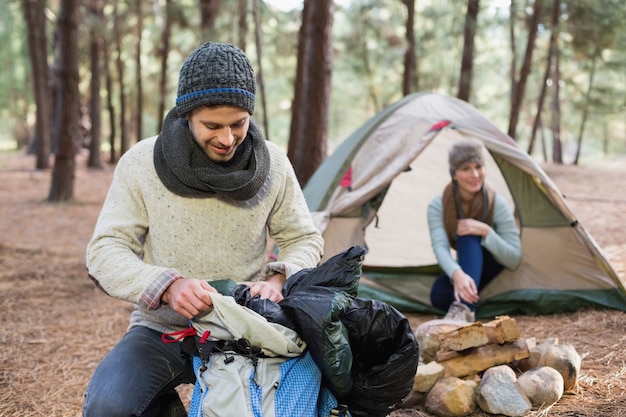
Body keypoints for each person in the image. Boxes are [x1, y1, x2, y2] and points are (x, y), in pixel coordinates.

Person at [82, 42, 324, 417]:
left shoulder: (273, 164)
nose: (227, 139)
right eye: (212, 125)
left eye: (238, 124)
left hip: (245, 329)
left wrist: (278, 280)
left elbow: (303, 238)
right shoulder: (142, 163)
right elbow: (105, 250)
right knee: (109, 407)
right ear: (186, 115)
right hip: (161, 328)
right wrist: (167, 286)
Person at [427, 139, 521, 322]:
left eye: (478, 166)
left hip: (494, 263)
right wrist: (457, 274)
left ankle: (464, 311)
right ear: (454, 174)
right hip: (467, 264)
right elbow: (440, 246)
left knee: (468, 232)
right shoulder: (438, 206)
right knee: (438, 295)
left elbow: (514, 259)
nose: (475, 174)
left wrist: (486, 231)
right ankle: (469, 293)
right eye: (465, 169)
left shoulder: (497, 203)